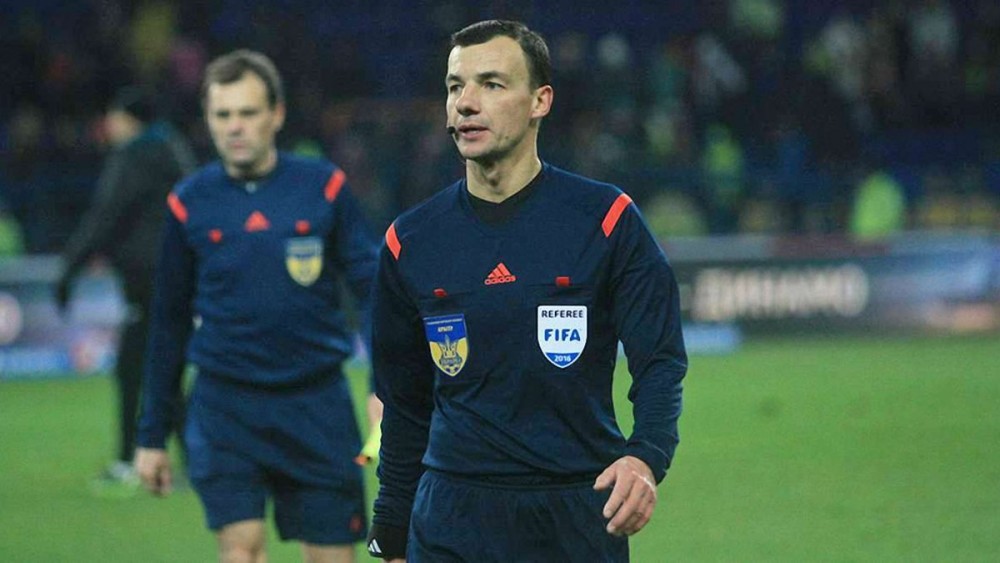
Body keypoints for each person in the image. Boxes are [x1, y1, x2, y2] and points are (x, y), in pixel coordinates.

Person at [367, 20, 688, 562]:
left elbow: (659, 360)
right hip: (450, 517)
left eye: (491, 84)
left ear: (541, 101)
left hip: (575, 511)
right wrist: (392, 530)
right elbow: (404, 404)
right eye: (455, 86)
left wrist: (646, 456)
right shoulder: (411, 241)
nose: (466, 103)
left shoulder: (606, 220)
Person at [134, 49, 378, 563]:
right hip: (226, 407)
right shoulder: (188, 202)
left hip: (316, 405)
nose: (235, 127)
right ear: (207, 119)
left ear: (277, 114)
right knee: (240, 552)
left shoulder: (324, 187)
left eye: (247, 112)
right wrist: (151, 435)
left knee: (333, 556)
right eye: (222, 114)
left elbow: (373, 292)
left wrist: (384, 384)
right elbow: (168, 323)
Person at [54, 86, 196, 494]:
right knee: (164, 370)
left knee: (134, 368)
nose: (108, 126)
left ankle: (129, 460)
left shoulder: (134, 155)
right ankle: (193, 460)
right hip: (177, 272)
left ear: (128, 120)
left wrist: (70, 268)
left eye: (113, 117)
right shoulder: (174, 150)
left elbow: (106, 213)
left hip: (147, 277)